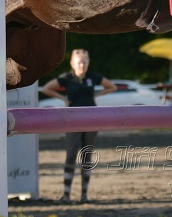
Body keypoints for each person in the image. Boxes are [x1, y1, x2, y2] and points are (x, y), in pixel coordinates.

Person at [41, 49, 116, 203]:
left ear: (88, 63)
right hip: (72, 120)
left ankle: (84, 195)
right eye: (79, 63)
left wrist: (96, 95)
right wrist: (63, 98)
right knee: (70, 155)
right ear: (72, 64)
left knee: (87, 156)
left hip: (91, 119)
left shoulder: (93, 77)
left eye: (84, 62)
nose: (82, 65)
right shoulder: (67, 78)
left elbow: (112, 87)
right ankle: (66, 194)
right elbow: (46, 88)